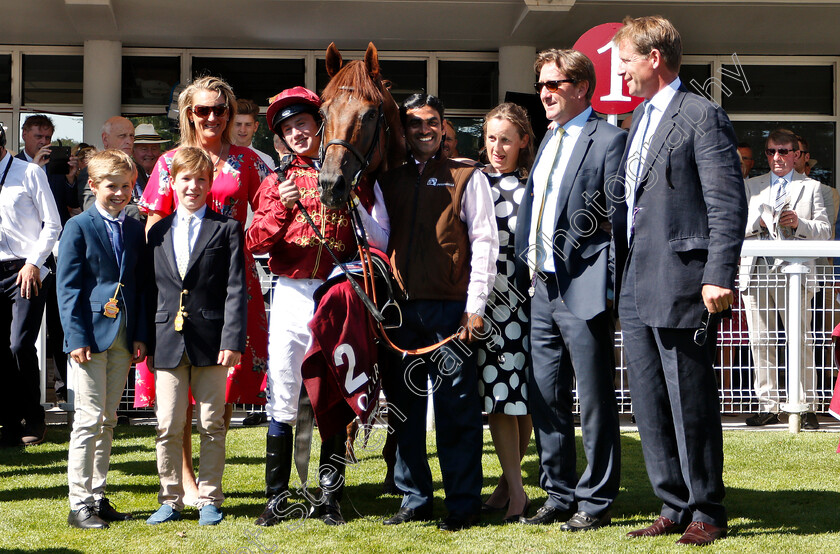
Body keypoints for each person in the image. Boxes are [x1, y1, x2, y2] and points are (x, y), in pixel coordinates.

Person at [611, 15, 747, 546]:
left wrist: (718, 275)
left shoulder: (701, 115)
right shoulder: (639, 118)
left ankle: (707, 510)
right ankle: (672, 503)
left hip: (686, 282)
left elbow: (726, 204)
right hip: (636, 282)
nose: (619, 73)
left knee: (688, 398)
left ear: (654, 59)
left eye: (625, 62)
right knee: (647, 399)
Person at [247, 86, 388, 527]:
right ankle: (276, 498)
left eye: (303, 124)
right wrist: (278, 213)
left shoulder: (352, 176)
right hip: (290, 294)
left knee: (332, 395)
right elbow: (254, 244)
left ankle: (330, 498)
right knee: (285, 395)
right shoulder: (275, 182)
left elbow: (375, 234)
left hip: (336, 293)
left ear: (320, 125)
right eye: (288, 129)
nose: (297, 134)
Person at [138, 76, 270, 506]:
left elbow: (270, 213)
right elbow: (154, 222)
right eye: (202, 110)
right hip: (180, 286)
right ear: (188, 114)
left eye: (220, 109)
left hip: (232, 280)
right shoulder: (169, 162)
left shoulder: (250, 161)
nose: (212, 117)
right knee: (178, 391)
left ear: (231, 114)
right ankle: (185, 479)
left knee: (222, 385)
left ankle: (211, 478)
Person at [515, 49, 625, 531]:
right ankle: (558, 494)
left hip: (584, 288)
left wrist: (610, 291)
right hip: (541, 287)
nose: (544, 93)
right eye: (541, 84)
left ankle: (596, 499)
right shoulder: (548, 140)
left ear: (582, 87)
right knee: (545, 396)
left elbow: (619, 225)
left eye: (554, 84)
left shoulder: (610, 140)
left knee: (595, 398)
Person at [378, 93, 498, 531]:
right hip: (401, 313)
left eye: (431, 122)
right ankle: (414, 498)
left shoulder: (467, 175)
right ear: (404, 131)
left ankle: (463, 503)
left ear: (443, 126)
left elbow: (485, 242)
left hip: (452, 312)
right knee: (405, 410)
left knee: (456, 410)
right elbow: (380, 234)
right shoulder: (388, 179)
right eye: (414, 124)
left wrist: (475, 308)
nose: (423, 130)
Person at [145, 146, 247, 526]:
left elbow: (236, 288)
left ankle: (209, 498)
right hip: (167, 340)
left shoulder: (227, 228)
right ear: (172, 183)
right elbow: (148, 289)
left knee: (211, 422)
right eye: (185, 179)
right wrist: (146, 338)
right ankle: (170, 498)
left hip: (213, 339)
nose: (193, 186)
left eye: (201, 180)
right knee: (168, 423)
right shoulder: (157, 232)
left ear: (210, 184)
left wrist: (233, 339)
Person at [57, 149, 148, 529]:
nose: (120, 193)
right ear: (93, 185)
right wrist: (75, 337)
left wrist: (140, 334)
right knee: (88, 420)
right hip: (90, 338)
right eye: (112, 186)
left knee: (108, 420)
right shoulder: (78, 227)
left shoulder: (132, 226)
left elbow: (139, 285)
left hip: (124, 336)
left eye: (126, 186)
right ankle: (79, 502)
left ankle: (97, 493)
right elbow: (68, 287)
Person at [739, 128, 830, 429]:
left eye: (782, 151)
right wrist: (758, 222)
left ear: (795, 155)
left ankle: (805, 405)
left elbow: (825, 231)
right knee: (760, 340)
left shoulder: (813, 187)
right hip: (757, 270)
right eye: (770, 151)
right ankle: (768, 403)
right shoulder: (752, 186)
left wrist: (799, 222)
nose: (776, 157)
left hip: (796, 272)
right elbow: (735, 225)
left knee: (800, 338)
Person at [475, 102, 535, 524]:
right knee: (499, 396)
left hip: (527, 300)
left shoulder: (533, 184)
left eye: (506, 140)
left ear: (523, 143)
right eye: (492, 138)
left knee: (523, 397)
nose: (498, 147)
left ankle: (509, 486)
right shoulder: (472, 181)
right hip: (487, 300)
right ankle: (515, 489)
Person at [0, 124, 62, 447]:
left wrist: (34, 262)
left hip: (27, 269)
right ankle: (9, 421)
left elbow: (53, 223)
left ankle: (33, 415)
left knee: (19, 345)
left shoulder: (28, 173)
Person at [16, 114, 80, 403]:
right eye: (38, 137)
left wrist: (69, 178)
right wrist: (33, 168)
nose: (44, 142)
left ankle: (63, 388)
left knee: (58, 323)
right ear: (24, 135)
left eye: (47, 138)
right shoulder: (14, 166)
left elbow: (67, 206)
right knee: (20, 337)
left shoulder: (54, 166)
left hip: (55, 256)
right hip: (23, 258)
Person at [81, 117, 143, 220]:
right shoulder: (92, 171)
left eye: (131, 136)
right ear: (105, 139)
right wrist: (138, 210)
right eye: (122, 136)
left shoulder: (138, 169)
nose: (129, 141)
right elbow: (92, 209)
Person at [233, 98, 276, 169]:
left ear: (255, 126)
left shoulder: (266, 161)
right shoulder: (220, 158)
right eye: (238, 124)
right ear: (230, 125)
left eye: (248, 125)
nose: (242, 130)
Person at [133, 123, 168, 199]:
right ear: (133, 152)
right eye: (144, 149)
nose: (150, 153)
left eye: (154, 148)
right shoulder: (128, 177)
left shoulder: (167, 175)